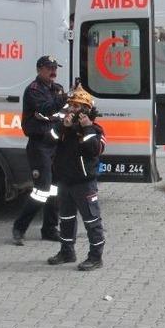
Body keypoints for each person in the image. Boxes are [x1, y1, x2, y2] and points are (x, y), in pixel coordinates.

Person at [45, 85, 106, 271]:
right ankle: (67, 252)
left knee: (91, 221)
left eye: (76, 106)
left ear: (85, 110)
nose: (71, 109)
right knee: (66, 218)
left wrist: (86, 129)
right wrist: (63, 128)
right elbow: (48, 140)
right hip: (65, 181)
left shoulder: (95, 129)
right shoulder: (64, 127)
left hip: (84, 184)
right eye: (70, 105)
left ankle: (95, 257)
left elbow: (96, 149)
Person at [12, 56, 67, 245]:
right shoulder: (33, 91)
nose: (53, 71)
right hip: (39, 146)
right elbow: (46, 109)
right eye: (49, 68)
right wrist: (62, 100)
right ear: (39, 70)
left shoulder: (57, 89)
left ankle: (50, 229)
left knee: (54, 190)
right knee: (42, 190)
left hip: (56, 145)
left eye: (55, 68)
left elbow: (63, 113)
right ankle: (19, 228)